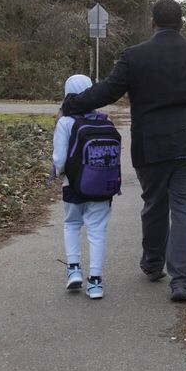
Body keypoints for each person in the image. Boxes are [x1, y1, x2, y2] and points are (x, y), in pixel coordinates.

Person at [62, 0, 186, 302]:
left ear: (152, 23)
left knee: (155, 203)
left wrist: (72, 104)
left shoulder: (135, 57)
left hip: (151, 145)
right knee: (185, 207)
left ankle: (154, 265)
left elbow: (108, 90)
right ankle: (181, 281)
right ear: (181, 23)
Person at [53, 74, 112, 299]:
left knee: (72, 225)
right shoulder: (104, 120)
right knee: (97, 231)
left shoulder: (65, 122)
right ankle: (95, 282)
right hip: (102, 187)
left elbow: (59, 160)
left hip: (74, 185)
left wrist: (58, 174)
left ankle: (74, 270)